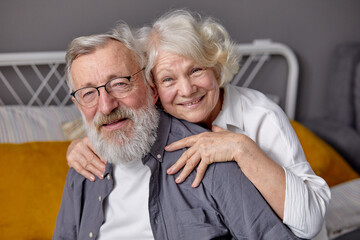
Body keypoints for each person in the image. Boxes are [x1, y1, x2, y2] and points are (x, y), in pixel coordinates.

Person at [66, 10, 330, 239]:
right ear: (154, 88)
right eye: (168, 79)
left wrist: (241, 148)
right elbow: (116, 116)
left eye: (196, 70)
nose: (187, 90)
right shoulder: (142, 114)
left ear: (216, 67)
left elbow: (310, 222)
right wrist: (85, 143)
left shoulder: (260, 116)